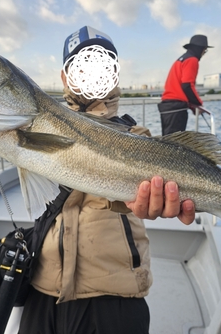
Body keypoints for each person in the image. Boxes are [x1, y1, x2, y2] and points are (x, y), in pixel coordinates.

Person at [18, 26, 195, 334]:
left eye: (102, 63)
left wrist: (151, 201)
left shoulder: (138, 138)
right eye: (82, 65)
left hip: (115, 289)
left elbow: (140, 200)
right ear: (65, 77)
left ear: (114, 73)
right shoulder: (37, 127)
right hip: (42, 284)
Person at [158, 34, 213, 135]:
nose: (204, 53)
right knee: (175, 143)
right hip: (176, 107)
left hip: (168, 106)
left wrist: (193, 106)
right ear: (200, 49)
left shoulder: (181, 59)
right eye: (205, 50)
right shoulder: (192, 60)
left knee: (167, 140)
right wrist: (198, 104)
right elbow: (187, 85)